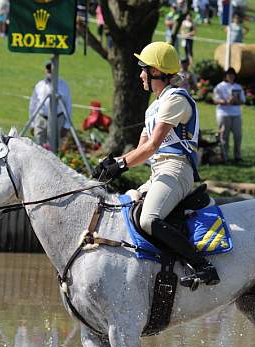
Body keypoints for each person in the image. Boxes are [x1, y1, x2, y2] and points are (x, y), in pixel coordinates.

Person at [92, 42, 219, 288]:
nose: (141, 75)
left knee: (149, 219)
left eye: (144, 70)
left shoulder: (176, 99)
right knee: (124, 206)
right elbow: (142, 150)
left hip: (176, 170)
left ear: (158, 72)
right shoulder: (153, 108)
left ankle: (203, 265)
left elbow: (152, 147)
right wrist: (112, 162)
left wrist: (121, 167)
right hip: (157, 172)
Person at [28, 62, 72, 148]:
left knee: (55, 147)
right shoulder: (39, 85)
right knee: (38, 146)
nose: (50, 71)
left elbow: (68, 105)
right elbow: (33, 104)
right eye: (48, 69)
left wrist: (67, 125)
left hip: (58, 119)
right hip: (41, 119)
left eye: (52, 69)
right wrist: (32, 124)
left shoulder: (63, 85)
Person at [213, 67, 245, 163]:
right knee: (224, 137)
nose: (231, 77)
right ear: (226, 76)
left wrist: (237, 101)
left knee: (238, 136)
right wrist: (227, 101)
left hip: (236, 114)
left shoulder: (238, 87)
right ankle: (224, 157)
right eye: (229, 75)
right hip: (224, 114)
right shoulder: (220, 87)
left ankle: (237, 156)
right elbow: (215, 100)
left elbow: (243, 100)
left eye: (233, 75)